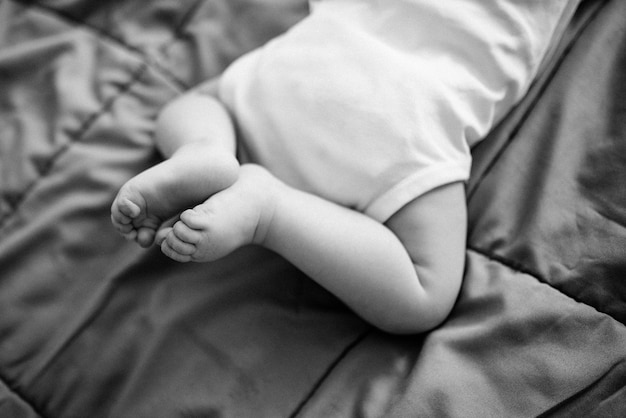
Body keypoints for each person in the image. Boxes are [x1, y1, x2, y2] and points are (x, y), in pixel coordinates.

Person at [111, 0, 578, 334]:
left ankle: (207, 148)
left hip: (309, 65)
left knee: (198, 103)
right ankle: (269, 210)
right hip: (414, 114)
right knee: (423, 294)